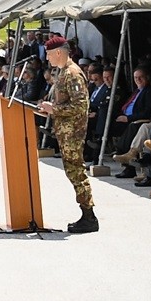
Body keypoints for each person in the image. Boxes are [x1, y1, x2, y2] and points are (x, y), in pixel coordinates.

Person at [35, 35, 97, 233]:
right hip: (65, 130)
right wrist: (48, 109)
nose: (47, 58)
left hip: (73, 131)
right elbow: (64, 103)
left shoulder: (72, 73)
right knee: (73, 171)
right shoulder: (62, 72)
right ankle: (86, 214)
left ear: (59, 52)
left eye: (49, 54)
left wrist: (54, 109)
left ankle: (89, 217)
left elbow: (81, 105)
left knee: (77, 172)